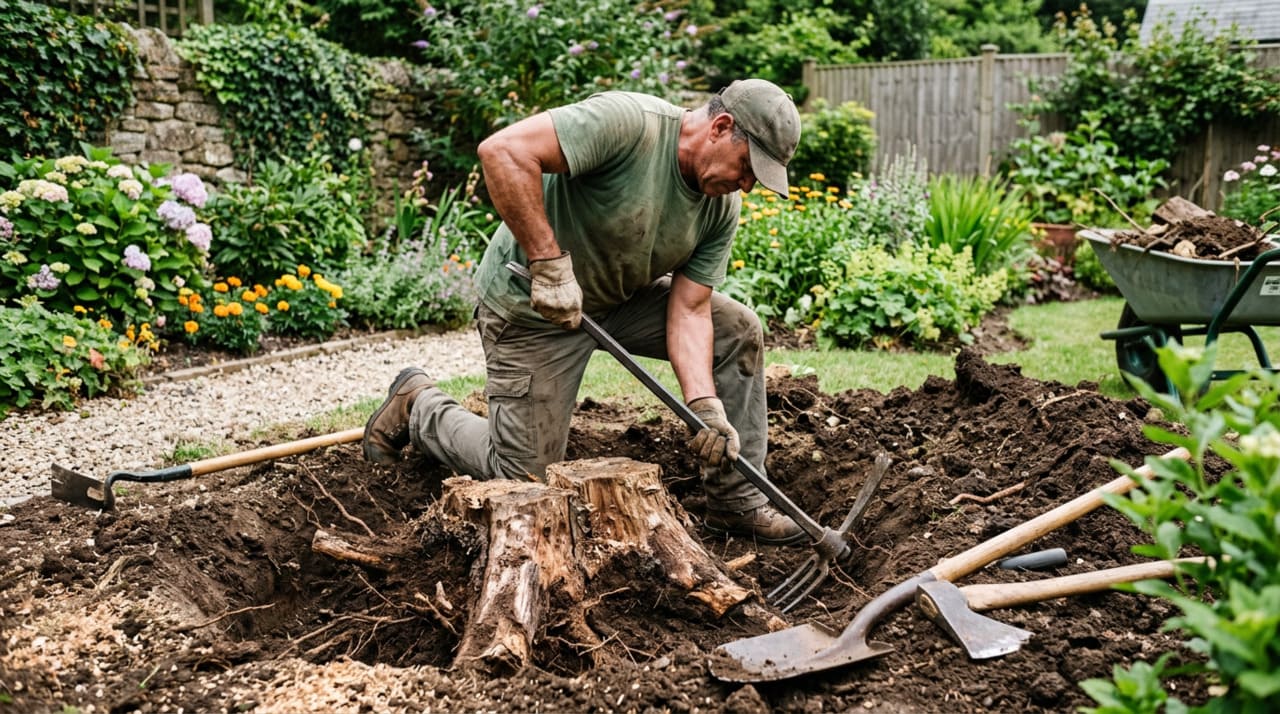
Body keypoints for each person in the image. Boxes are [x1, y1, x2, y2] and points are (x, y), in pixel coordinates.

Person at [362, 78, 805, 544]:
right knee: (524, 479)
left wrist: (705, 407)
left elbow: (691, 310)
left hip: (617, 300)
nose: (747, 185)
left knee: (736, 328)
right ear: (720, 127)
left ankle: (737, 502)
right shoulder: (629, 125)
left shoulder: (720, 206)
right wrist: (548, 263)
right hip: (531, 306)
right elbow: (503, 151)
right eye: (747, 166)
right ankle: (420, 406)